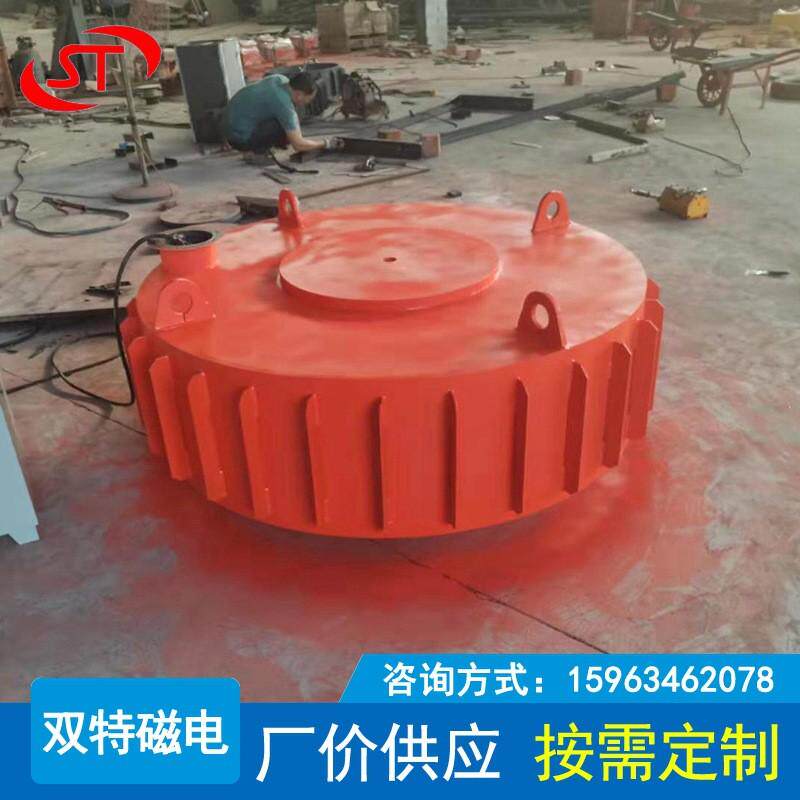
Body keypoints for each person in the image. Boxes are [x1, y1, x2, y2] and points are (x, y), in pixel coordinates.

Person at [224, 72, 334, 155]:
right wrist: (326, 143)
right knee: (286, 125)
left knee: (287, 121)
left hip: (229, 127)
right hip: (240, 140)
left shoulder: (279, 78)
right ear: (299, 95)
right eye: (308, 99)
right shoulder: (283, 104)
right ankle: (256, 151)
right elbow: (298, 145)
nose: (308, 103)